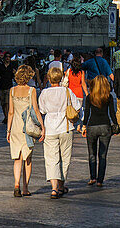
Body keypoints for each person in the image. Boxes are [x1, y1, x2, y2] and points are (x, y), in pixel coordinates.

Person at [38, 66, 81, 198]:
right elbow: (78, 107)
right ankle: (62, 185)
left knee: (51, 158)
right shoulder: (67, 91)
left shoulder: (44, 93)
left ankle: (54, 188)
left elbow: (42, 110)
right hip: (66, 128)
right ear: (62, 78)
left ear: (49, 78)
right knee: (65, 158)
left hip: (50, 128)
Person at [7, 63, 44, 197]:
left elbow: (10, 112)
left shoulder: (12, 90)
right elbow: (35, 110)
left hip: (15, 127)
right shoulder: (31, 90)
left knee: (17, 158)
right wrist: (42, 126)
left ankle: (16, 184)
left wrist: (8, 130)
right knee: (27, 158)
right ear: (28, 77)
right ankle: (25, 187)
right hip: (27, 128)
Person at [81, 75, 117, 187]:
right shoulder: (108, 97)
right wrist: (115, 125)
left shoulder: (90, 97)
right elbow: (112, 113)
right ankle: (100, 180)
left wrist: (84, 125)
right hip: (105, 126)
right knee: (102, 154)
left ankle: (92, 177)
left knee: (92, 153)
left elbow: (87, 113)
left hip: (92, 126)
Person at [0, 53, 15, 122]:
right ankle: (5, 116)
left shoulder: (12, 66)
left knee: (7, 103)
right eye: (6, 57)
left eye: (9, 57)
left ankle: (7, 117)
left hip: (9, 86)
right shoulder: (0, 66)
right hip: (1, 86)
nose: (7, 58)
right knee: (3, 103)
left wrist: (15, 73)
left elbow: (14, 77)